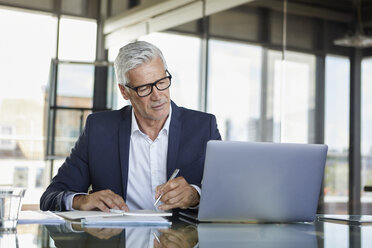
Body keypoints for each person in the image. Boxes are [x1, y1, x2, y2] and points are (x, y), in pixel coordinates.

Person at [40, 41, 221, 212]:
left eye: (161, 82)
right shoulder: (99, 130)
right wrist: (81, 201)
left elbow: (228, 193)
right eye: (144, 88)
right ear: (124, 91)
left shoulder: (203, 127)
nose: (157, 96)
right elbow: (50, 197)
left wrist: (195, 195)